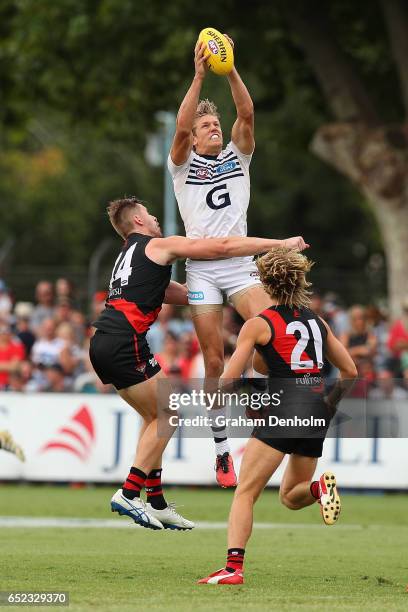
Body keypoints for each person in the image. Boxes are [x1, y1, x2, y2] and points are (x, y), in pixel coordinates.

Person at [89, 196, 308, 531]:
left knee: (154, 417)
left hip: (105, 340)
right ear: (137, 222)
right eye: (149, 214)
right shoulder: (159, 245)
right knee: (167, 414)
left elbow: (177, 293)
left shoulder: (128, 256)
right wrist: (279, 244)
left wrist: (219, 290)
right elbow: (219, 246)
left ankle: (157, 501)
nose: (155, 219)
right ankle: (129, 493)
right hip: (124, 341)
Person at [169, 36, 299, 485]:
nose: (213, 129)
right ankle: (222, 447)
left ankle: (259, 402)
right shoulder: (183, 165)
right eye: (207, 125)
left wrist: (231, 72)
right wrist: (200, 75)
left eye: (214, 124)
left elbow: (247, 114)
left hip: (241, 266)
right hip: (204, 268)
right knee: (211, 359)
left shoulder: (237, 158)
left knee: (274, 338)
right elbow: (181, 131)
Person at [198, 247, 357, 585]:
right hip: (315, 410)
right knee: (291, 495)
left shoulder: (258, 324)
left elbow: (228, 380)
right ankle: (318, 489)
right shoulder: (318, 322)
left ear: (264, 283)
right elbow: (350, 371)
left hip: (284, 409)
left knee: (246, 493)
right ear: (300, 281)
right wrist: (328, 406)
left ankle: (233, 569)